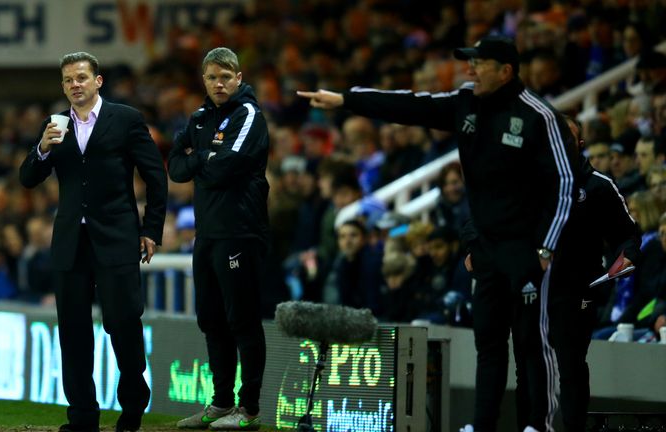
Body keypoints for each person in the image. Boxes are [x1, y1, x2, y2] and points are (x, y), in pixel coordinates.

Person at [299, 35, 578, 432]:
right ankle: (484, 426)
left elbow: (565, 183)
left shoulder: (538, 116)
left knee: (533, 344)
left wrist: (546, 247)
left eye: (478, 63)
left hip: (526, 248)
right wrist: (347, 99)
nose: (470, 69)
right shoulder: (466, 102)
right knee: (489, 346)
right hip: (485, 248)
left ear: (505, 71)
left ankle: (540, 426)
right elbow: (410, 105)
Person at [19, 51, 167, 432]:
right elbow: (27, 178)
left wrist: (151, 229)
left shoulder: (126, 119)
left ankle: (133, 410)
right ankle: (82, 416)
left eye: (82, 77)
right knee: (73, 331)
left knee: (124, 325)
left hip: (117, 239)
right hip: (71, 242)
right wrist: (43, 149)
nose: (75, 85)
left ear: (98, 81)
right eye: (68, 80)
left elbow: (155, 176)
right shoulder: (54, 125)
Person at [168, 47, 269, 431]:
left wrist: (204, 159)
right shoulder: (198, 118)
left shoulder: (248, 115)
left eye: (226, 76)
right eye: (212, 77)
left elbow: (228, 166)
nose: (219, 83)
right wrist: (203, 158)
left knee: (242, 319)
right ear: (205, 80)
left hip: (240, 231)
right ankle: (222, 402)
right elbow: (176, 168)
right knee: (212, 320)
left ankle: (250, 409)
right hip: (208, 233)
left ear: (239, 78)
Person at [547, 117, 640, 431]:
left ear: (580, 144)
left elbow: (628, 235)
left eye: (569, 137)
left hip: (578, 292)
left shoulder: (598, 186)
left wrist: (626, 256)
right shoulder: (533, 182)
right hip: (536, 289)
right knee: (531, 365)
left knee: (571, 364)